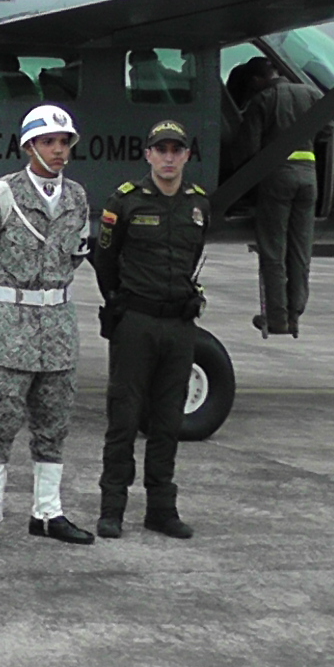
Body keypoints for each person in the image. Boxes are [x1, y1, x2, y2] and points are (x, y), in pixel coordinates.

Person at [0, 105, 96, 549]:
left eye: (64, 142)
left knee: (53, 424)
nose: (58, 150)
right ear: (29, 146)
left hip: (57, 330)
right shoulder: (2, 195)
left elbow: (76, 255)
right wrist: (5, 303)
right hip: (9, 332)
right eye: (49, 142)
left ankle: (48, 512)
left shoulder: (76, 197)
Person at [92, 119, 211, 540]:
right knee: (123, 418)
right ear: (148, 155)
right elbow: (105, 260)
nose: (168, 158)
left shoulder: (198, 205)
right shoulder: (125, 202)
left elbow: (193, 256)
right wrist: (120, 301)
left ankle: (161, 509)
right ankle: (112, 508)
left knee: (167, 420)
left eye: (176, 150)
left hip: (179, 325)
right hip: (136, 322)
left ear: (186, 156)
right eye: (161, 150)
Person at [240, 59, 323, 337]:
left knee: (274, 250)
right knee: (300, 251)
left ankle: (277, 318)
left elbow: (249, 149)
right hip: (309, 178)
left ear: (257, 80)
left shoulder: (263, 100)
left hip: (278, 179)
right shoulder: (311, 94)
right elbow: (329, 129)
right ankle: (295, 315)